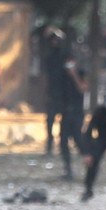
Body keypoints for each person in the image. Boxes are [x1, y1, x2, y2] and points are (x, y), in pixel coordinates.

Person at [57, 56, 88, 180]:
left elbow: (83, 88)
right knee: (63, 141)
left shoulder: (81, 73)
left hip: (77, 113)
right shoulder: (63, 76)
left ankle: (90, 163)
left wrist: (74, 75)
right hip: (66, 112)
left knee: (78, 139)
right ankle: (68, 170)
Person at [42, 27, 67, 155]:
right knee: (50, 121)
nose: (55, 43)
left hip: (64, 93)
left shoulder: (66, 57)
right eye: (53, 40)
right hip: (52, 93)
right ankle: (49, 146)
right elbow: (46, 76)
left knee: (64, 122)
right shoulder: (49, 58)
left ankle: (63, 146)